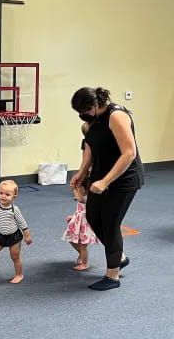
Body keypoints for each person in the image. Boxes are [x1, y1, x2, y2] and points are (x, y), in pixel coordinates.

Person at [70, 87, 144, 290]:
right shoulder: (94, 120)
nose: (81, 116)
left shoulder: (116, 116)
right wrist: (82, 172)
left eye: (83, 111)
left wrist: (105, 182)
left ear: (94, 105)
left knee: (110, 224)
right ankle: (119, 256)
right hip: (100, 175)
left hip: (123, 179)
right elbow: (90, 147)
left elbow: (129, 153)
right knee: (93, 217)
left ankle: (113, 276)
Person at [62, 176, 99, 271]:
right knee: (71, 239)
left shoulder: (87, 197)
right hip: (79, 221)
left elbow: (80, 200)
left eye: (79, 188)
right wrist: (73, 216)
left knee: (82, 245)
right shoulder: (82, 196)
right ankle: (81, 254)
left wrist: (74, 189)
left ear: (86, 188)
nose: (77, 190)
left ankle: (85, 263)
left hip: (85, 224)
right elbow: (80, 209)